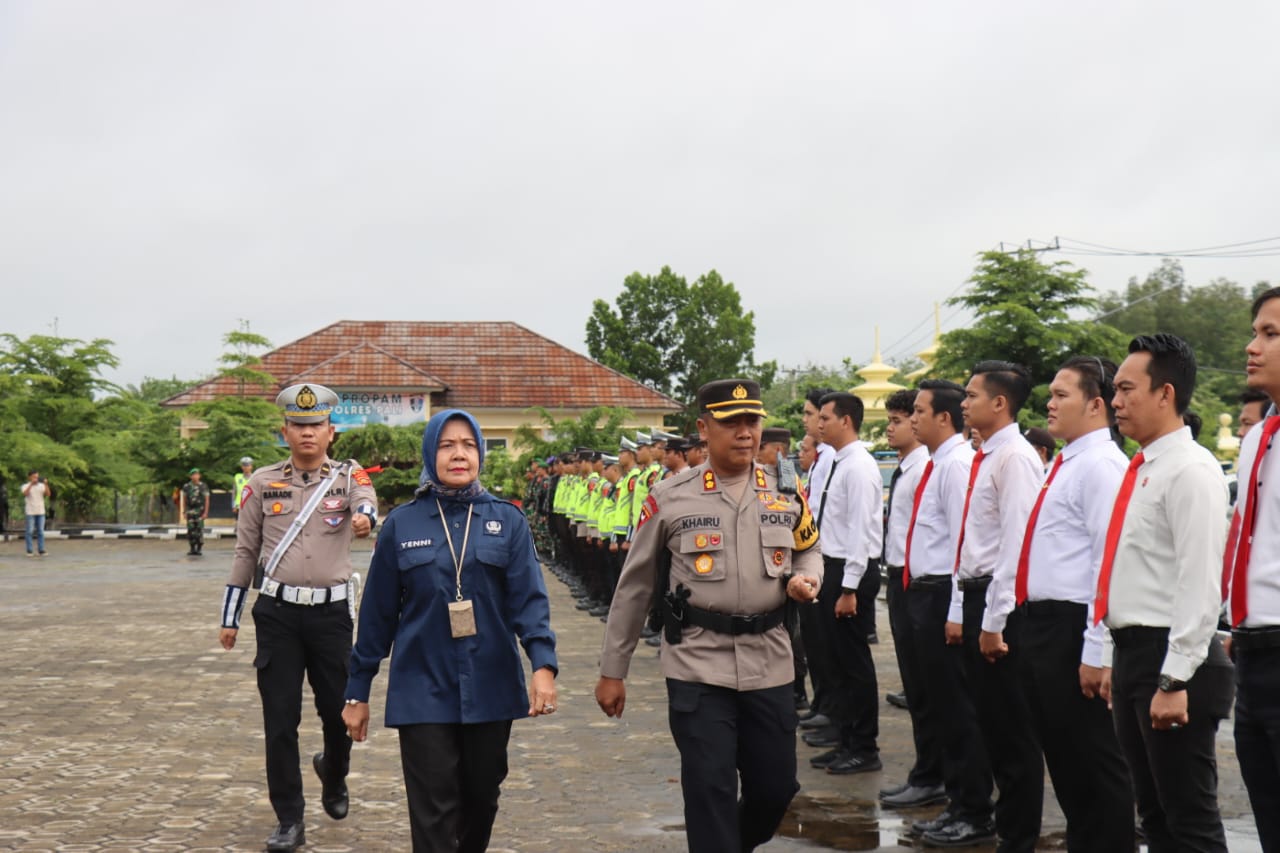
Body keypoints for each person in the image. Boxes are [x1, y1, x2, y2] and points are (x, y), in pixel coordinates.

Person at [595, 379, 822, 853]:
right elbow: (635, 587)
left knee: (775, 789)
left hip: (770, 662)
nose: (745, 432)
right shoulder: (670, 495)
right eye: (731, 422)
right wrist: (612, 671)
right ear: (703, 428)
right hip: (698, 663)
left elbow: (809, 548)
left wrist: (807, 578)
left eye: (752, 422)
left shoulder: (785, 489)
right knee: (708, 787)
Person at [343, 408, 557, 853]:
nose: (459, 454)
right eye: (446, 445)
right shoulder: (402, 524)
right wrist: (356, 691)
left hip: (492, 684)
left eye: (468, 445)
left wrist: (542, 665)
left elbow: (529, 601)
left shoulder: (509, 521)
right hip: (422, 685)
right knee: (433, 810)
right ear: (430, 452)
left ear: (480, 452)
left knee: (482, 797)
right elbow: (377, 615)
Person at [218, 383, 378, 853]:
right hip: (278, 615)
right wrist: (230, 619)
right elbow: (245, 552)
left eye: (316, 425)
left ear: (332, 432)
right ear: (284, 431)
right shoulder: (262, 483)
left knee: (339, 713)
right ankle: (290, 818)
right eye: (298, 425)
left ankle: (334, 771)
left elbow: (366, 504)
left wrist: (366, 518)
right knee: (280, 721)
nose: (307, 433)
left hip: (331, 616)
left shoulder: (350, 479)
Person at [1098, 334, 1233, 852]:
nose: (1116, 401)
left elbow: (1200, 582)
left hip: (1175, 658)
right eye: (1115, 390)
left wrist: (1175, 676)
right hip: (1135, 654)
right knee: (1153, 817)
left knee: (1189, 821)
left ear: (1166, 393)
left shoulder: (1191, 470)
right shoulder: (1145, 468)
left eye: (1127, 389)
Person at [1017, 356, 1135, 851]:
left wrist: (1095, 649)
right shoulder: (1070, 459)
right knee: (1066, 761)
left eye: (1061, 394)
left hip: (1074, 629)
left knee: (1094, 762)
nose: (1049, 402)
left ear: (1095, 405)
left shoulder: (1103, 466)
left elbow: (1106, 567)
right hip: (1045, 626)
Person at [954, 361, 1046, 851]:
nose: (963, 403)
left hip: (997, 603)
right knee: (990, 725)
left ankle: (1018, 838)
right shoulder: (986, 456)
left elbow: (1017, 546)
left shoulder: (1015, 458)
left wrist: (994, 622)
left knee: (1012, 733)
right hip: (976, 596)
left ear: (999, 403)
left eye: (971, 395)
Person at [904, 379, 995, 842]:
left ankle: (973, 810)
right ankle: (958, 802)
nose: (912, 417)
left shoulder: (957, 465)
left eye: (919, 411)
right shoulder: (939, 464)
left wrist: (956, 609)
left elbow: (967, 545)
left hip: (946, 594)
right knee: (941, 705)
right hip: (926, 593)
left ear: (943, 418)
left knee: (959, 710)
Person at [1223, 287, 1280, 851]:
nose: (1252, 346)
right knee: (1267, 811)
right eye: (1255, 332)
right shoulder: (1259, 436)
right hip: (1253, 648)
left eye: (1271, 334)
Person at [807, 392, 884, 775]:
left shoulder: (859, 467)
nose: (819, 425)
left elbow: (860, 531)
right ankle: (846, 739)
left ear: (846, 421)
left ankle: (864, 747)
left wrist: (849, 587)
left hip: (849, 570)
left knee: (853, 664)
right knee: (835, 661)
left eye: (825, 418)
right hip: (833, 566)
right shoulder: (839, 462)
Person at [877, 389, 946, 810]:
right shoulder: (909, 468)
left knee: (930, 690)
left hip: (923, 579)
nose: (895, 426)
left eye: (903, 417)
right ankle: (927, 771)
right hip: (903, 576)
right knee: (918, 688)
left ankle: (933, 775)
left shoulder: (928, 468)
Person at [181, 468, 211, 556]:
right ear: (190, 476)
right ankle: (192, 548)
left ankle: (199, 548)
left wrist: (206, 512)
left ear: (199, 476)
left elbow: (207, 500)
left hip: (200, 511)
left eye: (197, 474)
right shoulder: (186, 486)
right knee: (190, 530)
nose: (195, 476)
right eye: (193, 475)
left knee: (199, 529)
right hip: (190, 511)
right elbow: (184, 499)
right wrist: (184, 512)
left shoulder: (203, 486)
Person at [21, 470, 52, 557]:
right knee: (29, 531)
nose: (36, 479)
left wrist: (46, 484)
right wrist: (31, 484)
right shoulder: (25, 486)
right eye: (34, 477)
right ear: (30, 477)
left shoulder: (41, 486)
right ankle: (29, 550)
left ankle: (41, 549)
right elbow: (25, 493)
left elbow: (48, 494)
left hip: (40, 511)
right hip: (30, 511)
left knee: (41, 532)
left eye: (37, 477)